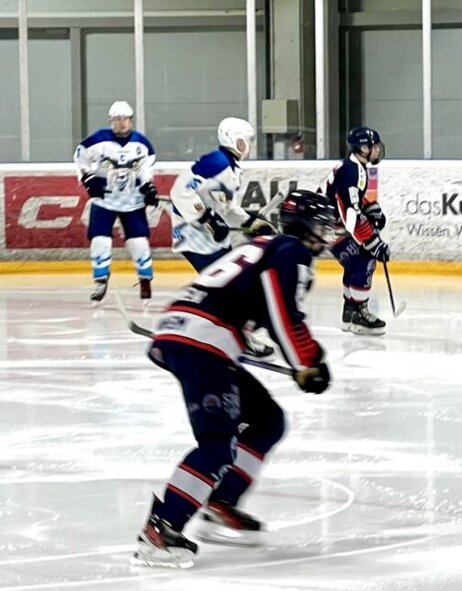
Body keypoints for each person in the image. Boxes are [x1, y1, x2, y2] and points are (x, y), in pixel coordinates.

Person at [131, 190, 336, 569]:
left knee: (267, 420)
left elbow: (253, 303)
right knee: (216, 444)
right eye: (323, 225)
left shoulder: (264, 245)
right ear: (304, 225)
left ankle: (221, 503)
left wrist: (307, 356)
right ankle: (161, 530)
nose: (328, 234)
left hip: (194, 335)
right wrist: (306, 361)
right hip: (203, 340)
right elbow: (282, 312)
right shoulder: (291, 250)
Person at [168, 117, 275, 357]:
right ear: (231, 140)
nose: (248, 145)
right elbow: (179, 191)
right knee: (230, 286)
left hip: (207, 238)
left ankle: (223, 328)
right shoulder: (217, 163)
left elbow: (225, 208)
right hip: (193, 236)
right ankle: (233, 334)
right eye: (243, 141)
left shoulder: (231, 167)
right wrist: (206, 219)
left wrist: (250, 221)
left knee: (233, 282)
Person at [74, 101, 158, 303]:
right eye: (117, 119)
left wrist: (148, 187)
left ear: (131, 120)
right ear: (111, 121)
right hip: (105, 200)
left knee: (139, 243)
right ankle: (101, 280)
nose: (122, 123)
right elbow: (80, 157)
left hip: (133, 201)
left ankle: (145, 279)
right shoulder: (98, 140)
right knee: (100, 240)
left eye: (125, 119)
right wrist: (87, 179)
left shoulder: (142, 144)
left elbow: (146, 168)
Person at [319, 126, 391, 335]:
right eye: (373, 147)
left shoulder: (354, 166)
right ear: (362, 148)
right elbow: (350, 211)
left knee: (353, 263)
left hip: (325, 224)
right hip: (327, 226)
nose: (377, 151)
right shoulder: (353, 171)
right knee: (365, 258)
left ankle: (350, 312)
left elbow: (352, 200)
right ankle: (359, 313)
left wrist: (369, 206)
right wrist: (371, 240)